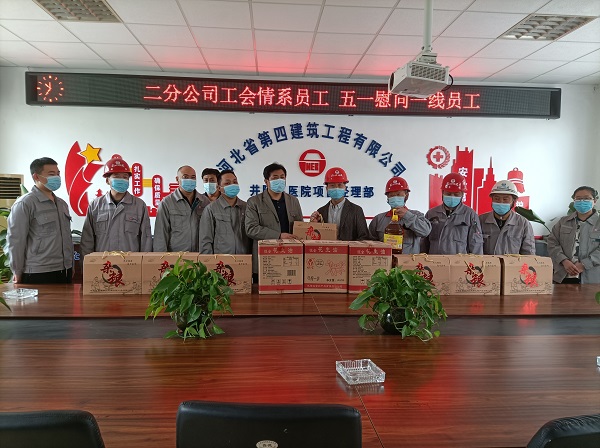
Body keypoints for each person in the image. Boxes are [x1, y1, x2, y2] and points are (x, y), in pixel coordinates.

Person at [6, 157, 73, 283]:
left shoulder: (62, 204)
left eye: (58, 174)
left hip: (64, 269)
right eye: (51, 174)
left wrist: (71, 265)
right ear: (36, 176)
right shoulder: (25, 203)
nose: (57, 178)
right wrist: (17, 271)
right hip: (38, 272)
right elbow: (16, 241)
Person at [80, 154, 152, 257]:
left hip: (130, 263)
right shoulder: (95, 206)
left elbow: (146, 240)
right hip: (103, 263)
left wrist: (145, 263)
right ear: (107, 180)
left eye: (125, 177)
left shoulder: (139, 206)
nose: (121, 180)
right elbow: (87, 240)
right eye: (116, 176)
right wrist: (87, 263)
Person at [245, 162, 304, 274]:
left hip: (290, 257)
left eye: (282, 177)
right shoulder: (254, 202)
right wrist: (278, 236)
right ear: (266, 181)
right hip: (265, 257)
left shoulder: (293, 201)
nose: (279, 180)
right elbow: (251, 229)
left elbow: (300, 226)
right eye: (275, 178)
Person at [547, 186, 600, 284]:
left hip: (592, 278)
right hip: (564, 274)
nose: (582, 201)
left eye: (586, 198)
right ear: (574, 201)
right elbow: (552, 243)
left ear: (595, 201)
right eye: (578, 199)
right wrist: (564, 261)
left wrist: (585, 264)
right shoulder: (563, 222)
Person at [421, 172, 483, 255]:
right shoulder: (431, 214)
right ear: (442, 192)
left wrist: (477, 263)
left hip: (460, 262)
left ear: (462, 194)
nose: (452, 196)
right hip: (434, 261)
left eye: (456, 194)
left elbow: (476, 246)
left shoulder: (470, 215)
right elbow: (423, 244)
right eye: (448, 193)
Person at [153, 165, 210, 252]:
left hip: (200, 255)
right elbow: (160, 235)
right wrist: (161, 257)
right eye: (185, 177)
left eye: (193, 177)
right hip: (176, 256)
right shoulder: (167, 203)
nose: (190, 180)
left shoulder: (204, 201)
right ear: (177, 179)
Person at [369, 176, 431, 254]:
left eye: (398, 194)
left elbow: (425, 232)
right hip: (385, 260)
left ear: (406, 195)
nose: (395, 197)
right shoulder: (378, 219)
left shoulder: (416, 215)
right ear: (387, 198)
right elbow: (370, 244)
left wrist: (407, 216)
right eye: (391, 195)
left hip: (409, 261)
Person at [309, 167, 369, 241]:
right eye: (332, 186)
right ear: (327, 188)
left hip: (348, 248)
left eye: (340, 185)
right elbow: (315, 236)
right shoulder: (321, 211)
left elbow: (363, 237)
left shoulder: (356, 210)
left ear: (345, 188)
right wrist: (314, 224)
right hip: (326, 248)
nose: (336, 188)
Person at [199, 170, 251, 255]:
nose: (232, 185)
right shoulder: (211, 209)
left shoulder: (247, 207)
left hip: (244, 258)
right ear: (219, 188)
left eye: (235, 182)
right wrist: (208, 261)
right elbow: (205, 241)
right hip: (220, 259)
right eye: (227, 183)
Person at [479, 180, 535, 255]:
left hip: (513, 263)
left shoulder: (523, 224)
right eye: (497, 199)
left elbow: (529, 254)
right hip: (486, 263)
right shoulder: (481, 220)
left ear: (514, 201)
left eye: (505, 199)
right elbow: (474, 250)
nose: (501, 202)